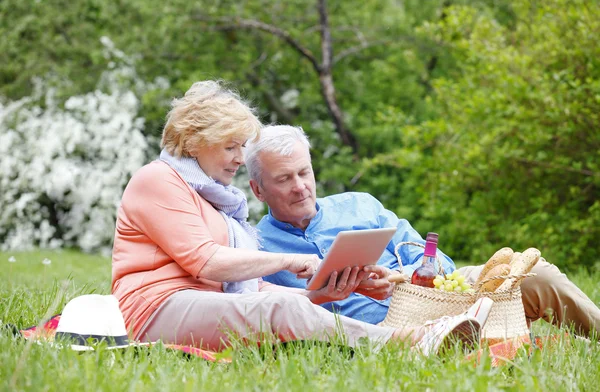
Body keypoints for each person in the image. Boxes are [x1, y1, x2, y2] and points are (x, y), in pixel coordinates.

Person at [110, 80, 489, 356]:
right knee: (286, 308)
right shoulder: (157, 179)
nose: (240, 159)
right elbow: (206, 262)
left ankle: (421, 334)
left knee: (295, 305)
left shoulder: (214, 200)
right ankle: (408, 343)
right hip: (153, 309)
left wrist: (318, 294)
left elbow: (254, 290)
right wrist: (294, 261)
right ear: (194, 142)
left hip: (198, 303)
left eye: (242, 147)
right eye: (230, 147)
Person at [246, 125, 600, 337]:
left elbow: (435, 259)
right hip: (391, 332)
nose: (300, 187)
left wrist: (401, 276)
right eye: (284, 179)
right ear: (258, 190)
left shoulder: (360, 205)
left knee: (535, 274)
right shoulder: (257, 248)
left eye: (304, 172)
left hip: (440, 294)